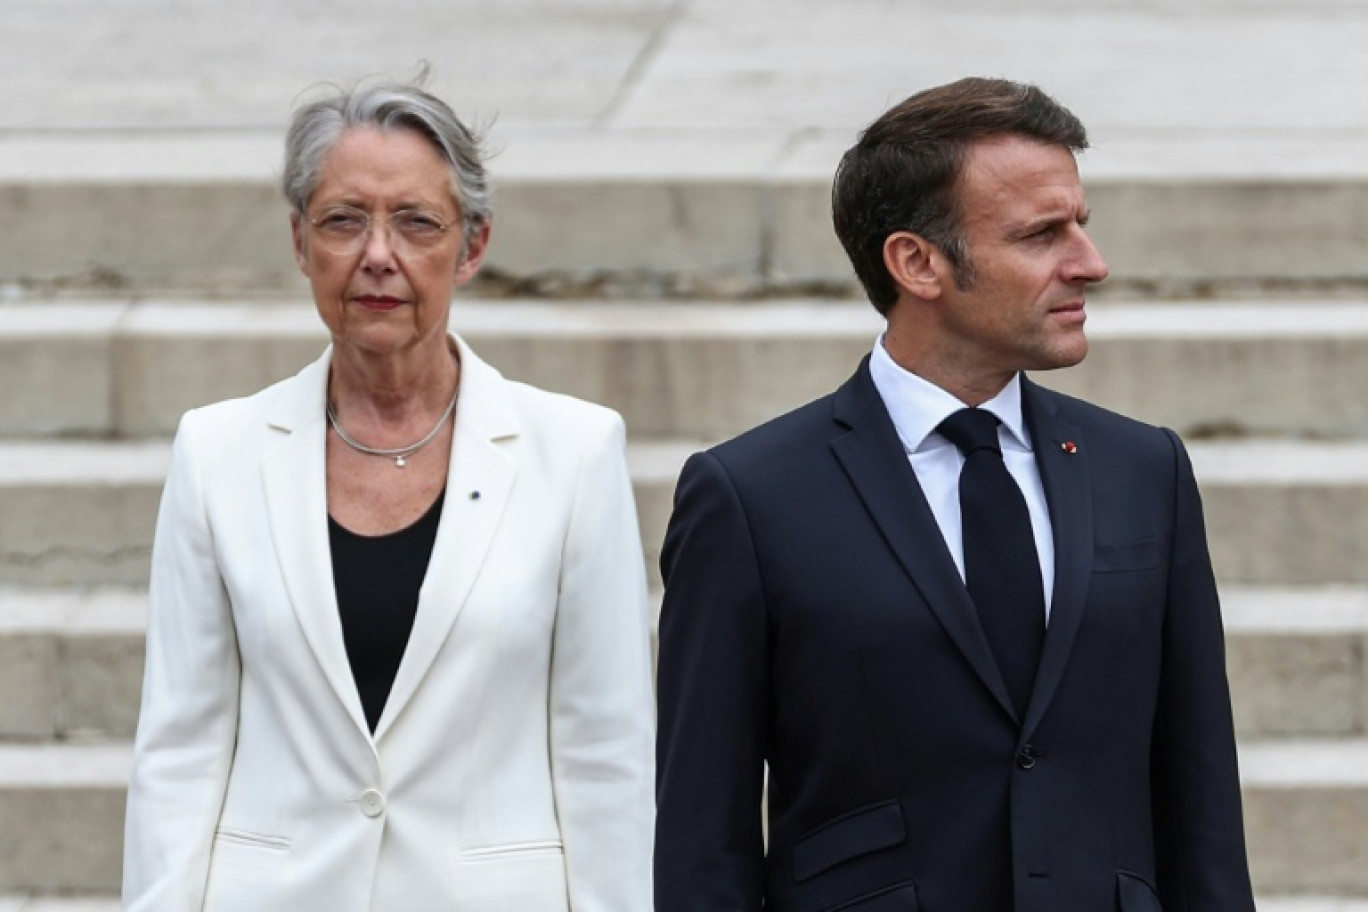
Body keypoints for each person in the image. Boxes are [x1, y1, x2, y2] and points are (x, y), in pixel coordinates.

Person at [655, 77, 1255, 911]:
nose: (1090, 262)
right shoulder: (750, 497)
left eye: (1081, 222)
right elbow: (701, 843)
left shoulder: (1143, 469)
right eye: (1043, 233)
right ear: (917, 263)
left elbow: (1202, 808)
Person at [122, 79, 654, 911]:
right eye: (343, 220)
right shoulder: (216, 453)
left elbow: (607, 754)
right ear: (300, 243)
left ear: (472, 246)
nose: (378, 254)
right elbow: (179, 750)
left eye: (416, 222)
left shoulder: (577, 454)